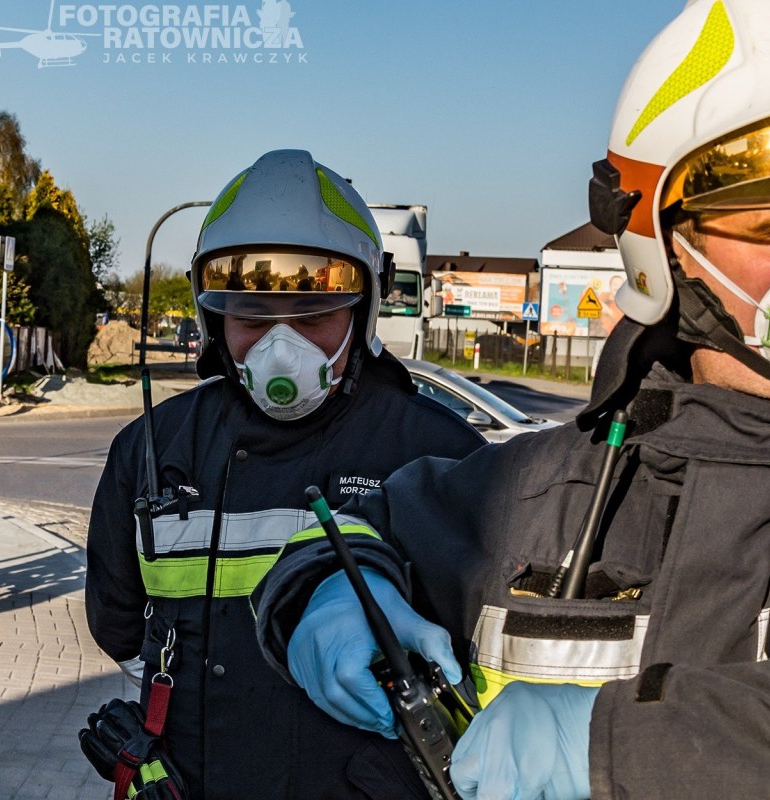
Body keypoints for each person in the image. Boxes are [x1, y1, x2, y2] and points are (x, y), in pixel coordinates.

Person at [254, 3, 770, 798]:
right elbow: (348, 532)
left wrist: (604, 749)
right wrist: (330, 591)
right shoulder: (538, 493)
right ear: (663, 246)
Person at [83, 149, 484, 799]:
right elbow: (119, 624)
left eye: (312, 316)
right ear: (214, 315)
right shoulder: (152, 450)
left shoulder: (439, 452)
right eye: (252, 317)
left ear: (364, 306)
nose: (281, 348)